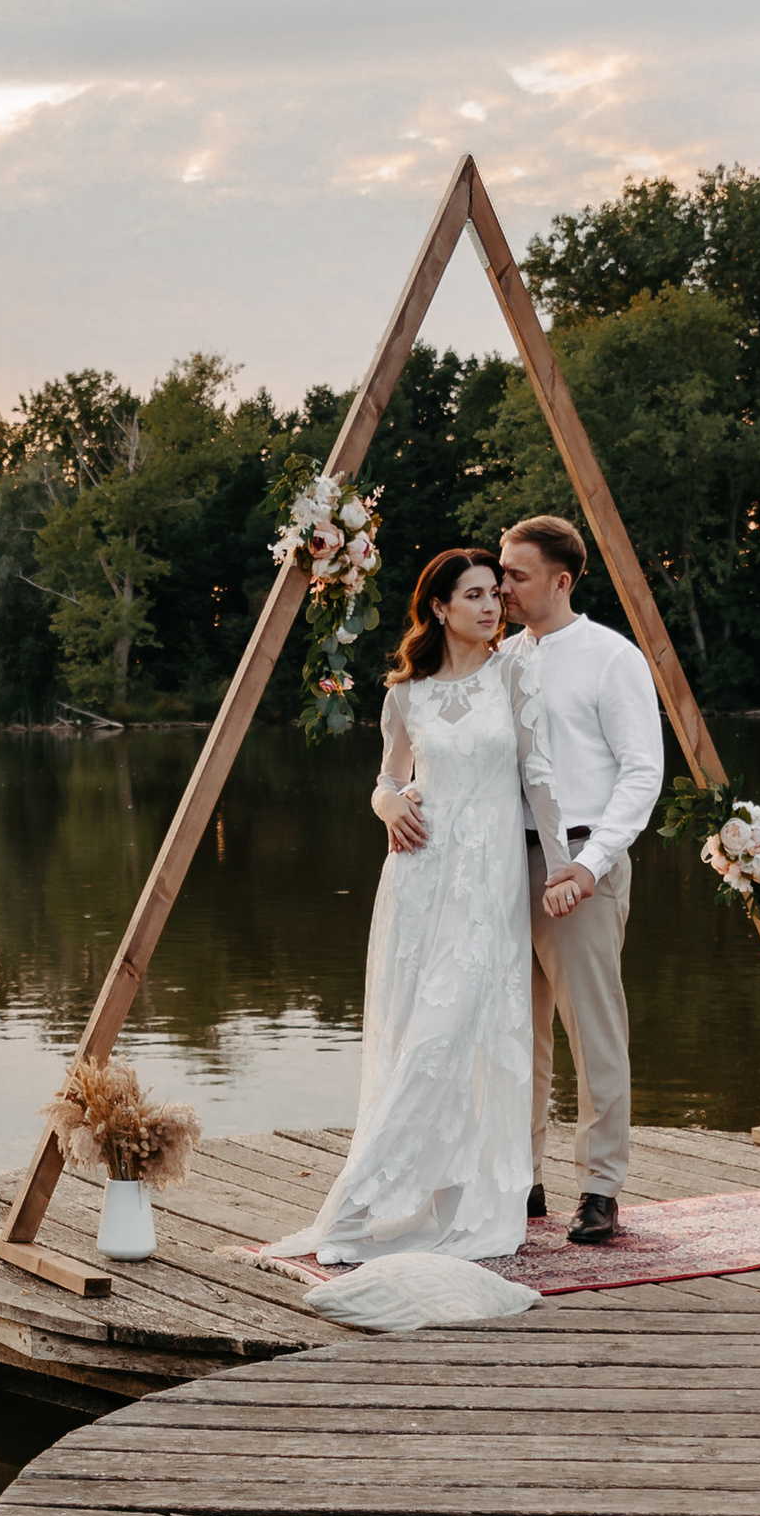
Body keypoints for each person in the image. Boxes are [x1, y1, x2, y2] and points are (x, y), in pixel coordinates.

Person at [265, 548, 569, 1267]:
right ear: (439, 607)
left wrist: (565, 869)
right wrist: (387, 805)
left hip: (489, 889)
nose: (492, 606)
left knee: (456, 1039)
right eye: (474, 595)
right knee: (419, 1042)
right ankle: (376, 1201)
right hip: (419, 880)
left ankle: (422, 1201)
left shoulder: (515, 674)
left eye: (495, 593)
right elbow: (387, 777)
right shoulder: (406, 693)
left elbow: (542, 779)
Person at [497, 516, 666, 1246]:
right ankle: (520, 1178)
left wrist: (591, 865)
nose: (501, 585)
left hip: (580, 860)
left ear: (562, 581)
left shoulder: (610, 658)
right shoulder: (497, 658)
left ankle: (600, 1187)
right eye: (500, 572)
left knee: (593, 1029)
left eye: (517, 574)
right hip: (504, 863)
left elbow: (642, 772)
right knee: (514, 1031)